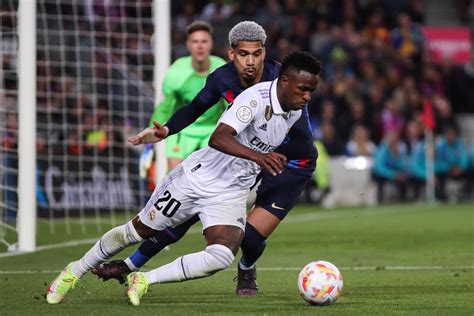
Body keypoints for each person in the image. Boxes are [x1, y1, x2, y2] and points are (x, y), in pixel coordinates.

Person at [46, 51, 322, 306]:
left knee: (221, 256)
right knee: (138, 231)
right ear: (284, 81)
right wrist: (259, 157)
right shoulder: (254, 99)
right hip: (196, 179)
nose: (308, 97)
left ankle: (144, 279)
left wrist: (276, 157)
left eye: (312, 91)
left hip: (231, 192)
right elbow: (219, 138)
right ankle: (75, 270)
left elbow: (289, 144)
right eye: (304, 89)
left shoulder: (293, 110)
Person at [142, 21, 226, 176]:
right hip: (183, 129)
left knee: (212, 179)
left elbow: (232, 104)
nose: (199, 46)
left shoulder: (222, 68)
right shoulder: (176, 72)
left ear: (211, 44)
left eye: (204, 41)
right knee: (175, 176)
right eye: (195, 42)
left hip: (211, 129)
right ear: (188, 45)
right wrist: (150, 137)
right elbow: (165, 107)